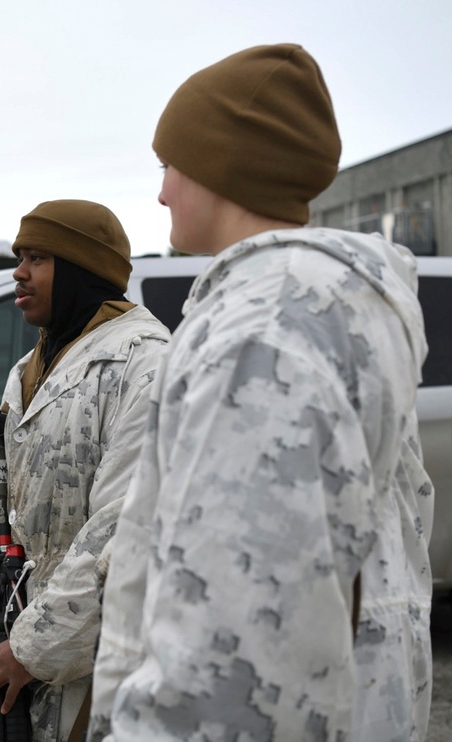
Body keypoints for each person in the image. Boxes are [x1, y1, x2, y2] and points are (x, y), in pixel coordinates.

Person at [89, 44, 434, 741]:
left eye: (169, 165)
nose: (160, 192)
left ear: (220, 165)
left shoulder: (258, 336)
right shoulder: (334, 304)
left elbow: (232, 660)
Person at [0, 200, 171, 741]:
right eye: (19, 256)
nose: (19, 272)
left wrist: (32, 649)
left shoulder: (147, 364)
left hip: (94, 657)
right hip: (15, 629)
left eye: (38, 257)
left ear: (82, 269)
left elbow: (123, 526)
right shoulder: (30, 367)